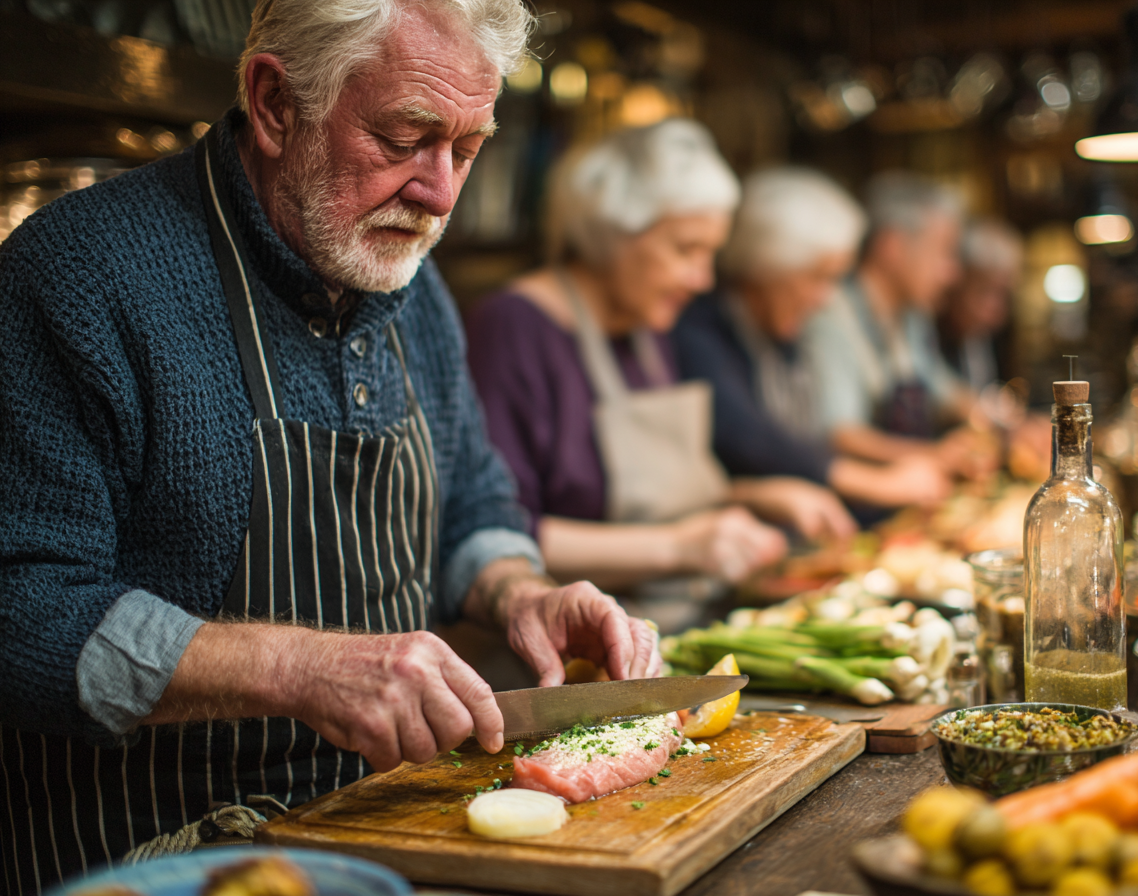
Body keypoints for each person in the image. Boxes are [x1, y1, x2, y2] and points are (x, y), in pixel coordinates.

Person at [0, 0, 660, 887]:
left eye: (466, 149)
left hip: (387, 825)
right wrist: (298, 668)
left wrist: (520, 593)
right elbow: (21, 605)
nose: (439, 195)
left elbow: (473, 500)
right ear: (276, 104)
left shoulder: (411, 287)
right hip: (151, 852)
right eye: (402, 138)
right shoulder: (80, 277)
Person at [467, 122, 854, 594]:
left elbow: (657, 501)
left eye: (711, 254)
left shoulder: (646, 326)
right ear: (611, 233)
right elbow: (494, 536)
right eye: (687, 249)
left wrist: (760, 495)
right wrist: (678, 547)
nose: (703, 280)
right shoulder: (513, 329)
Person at [673, 168, 952, 510]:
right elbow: (747, 434)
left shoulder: (786, 331)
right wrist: (869, 481)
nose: (826, 299)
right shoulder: (702, 330)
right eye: (818, 278)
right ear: (765, 267)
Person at [803, 172, 997, 481]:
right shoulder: (831, 314)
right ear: (892, 246)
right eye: (943, 252)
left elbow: (940, 388)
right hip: (856, 511)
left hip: (913, 496)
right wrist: (936, 455)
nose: (952, 273)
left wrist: (999, 421)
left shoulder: (911, 317)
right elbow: (841, 435)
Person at [938, 218, 1024, 394]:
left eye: (1004, 295)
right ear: (957, 279)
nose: (997, 309)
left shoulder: (977, 338)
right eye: (986, 291)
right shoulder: (923, 331)